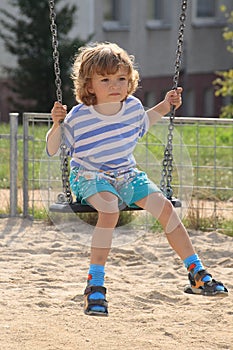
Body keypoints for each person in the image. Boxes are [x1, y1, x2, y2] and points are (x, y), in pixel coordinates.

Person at [46, 42, 228, 316]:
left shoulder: (131, 107)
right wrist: (56, 125)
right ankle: (94, 285)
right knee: (109, 210)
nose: (115, 85)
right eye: (105, 79)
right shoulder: (80, 115)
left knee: (166, 208)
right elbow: (52, 149)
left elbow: (146, 121)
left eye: (121, 78)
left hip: (127, 174)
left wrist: (166, 104)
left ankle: (196, 271)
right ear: (90, 85)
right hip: (89, 176)